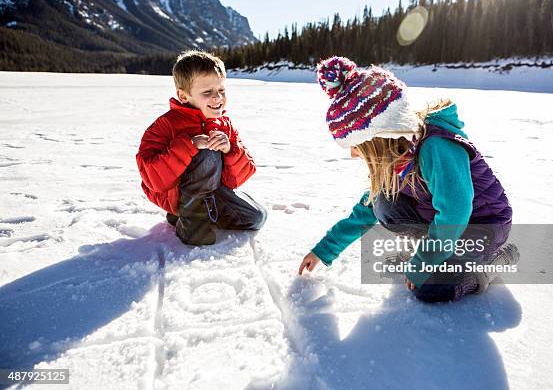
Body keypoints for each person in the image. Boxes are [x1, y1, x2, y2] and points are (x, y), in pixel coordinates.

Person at [298, 56, 518, 303]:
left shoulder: (436, 147)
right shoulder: (395, 159)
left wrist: (425, 260)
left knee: (429, 288)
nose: (352, 153)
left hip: (483, 226)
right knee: (383, 203)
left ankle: (493, 262)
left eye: (356, 145)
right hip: (445, 222)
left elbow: (456, 211)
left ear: (380, 136)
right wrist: (324, 250)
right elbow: (366, 210)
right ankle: (437, 252)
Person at [136, 50, 266, 245]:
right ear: (183, 95)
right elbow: (152, 178)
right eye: (207, 93)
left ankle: (196, 214)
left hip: (212, 193)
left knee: (256, 217)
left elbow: (237, 179)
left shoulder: (224, 125)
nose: (217, 98)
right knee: (207, 154)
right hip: (176, 195)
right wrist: (189, 145)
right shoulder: (166, 125)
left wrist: (229, 149)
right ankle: (191, 224)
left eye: (221, 90)